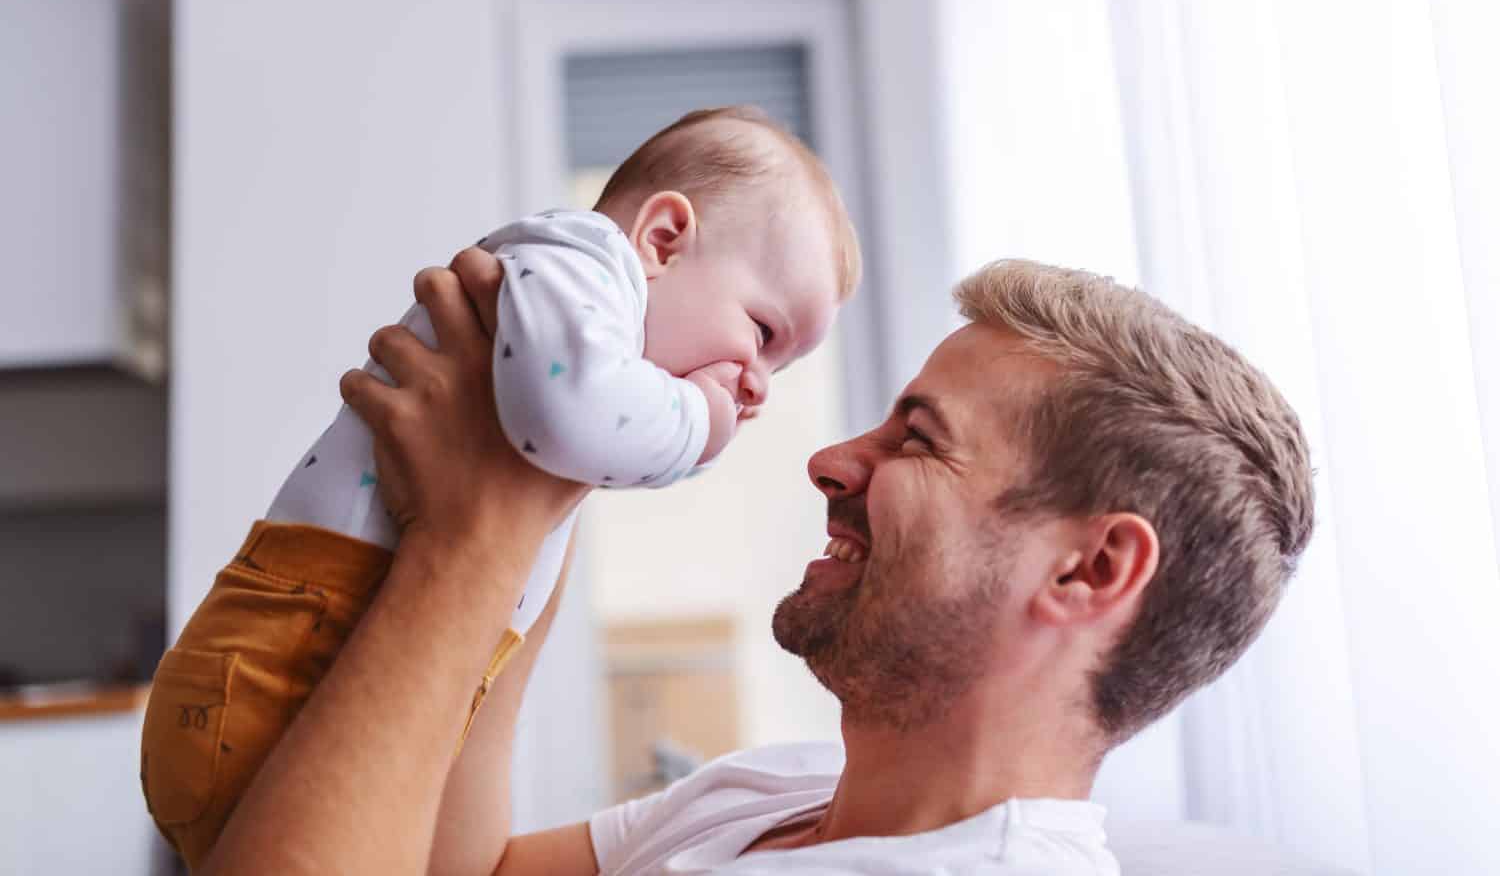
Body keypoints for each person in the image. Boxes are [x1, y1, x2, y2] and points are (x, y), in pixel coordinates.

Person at [198, 250, 1313, 875]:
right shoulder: (780, 793)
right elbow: (468, 870)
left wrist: (469, 540)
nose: (832, 459)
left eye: (916, 439)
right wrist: (549, 466)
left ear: (1088, 570)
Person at [142, 106, 861, 869]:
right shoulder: (577, 264)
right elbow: (571, 410)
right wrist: (701, 421)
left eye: (778, 371)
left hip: (318, 698)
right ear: (663, 240)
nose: (755, 388)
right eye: (763, 334)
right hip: (278, 666)